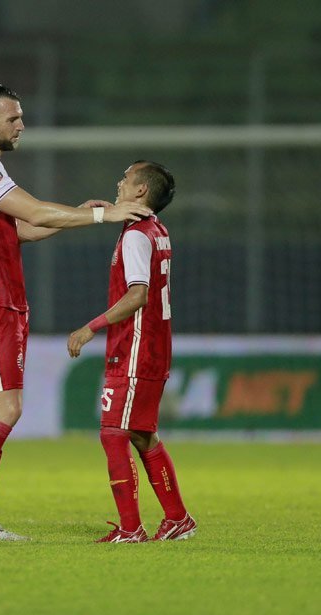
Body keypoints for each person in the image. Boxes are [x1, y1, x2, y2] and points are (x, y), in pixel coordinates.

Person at [0, 83, 154, 542]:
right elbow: (37, 212)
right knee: (7, 407)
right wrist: (106, 216)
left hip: (2, 297)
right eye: (13, 118)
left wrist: (78, 214)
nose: (22, 126)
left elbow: (23, 230)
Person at [67, 160, 196, 544]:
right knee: (142, 434)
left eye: (126, 179)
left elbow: (137, 295)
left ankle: (130, 528)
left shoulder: (137, 236)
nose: (119, 182)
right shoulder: (154, 229)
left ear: (141, 191)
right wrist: (102, 211)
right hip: (154, 345)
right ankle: (178, 519)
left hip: (135, 347)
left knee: (113, 434)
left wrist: (90, 327)